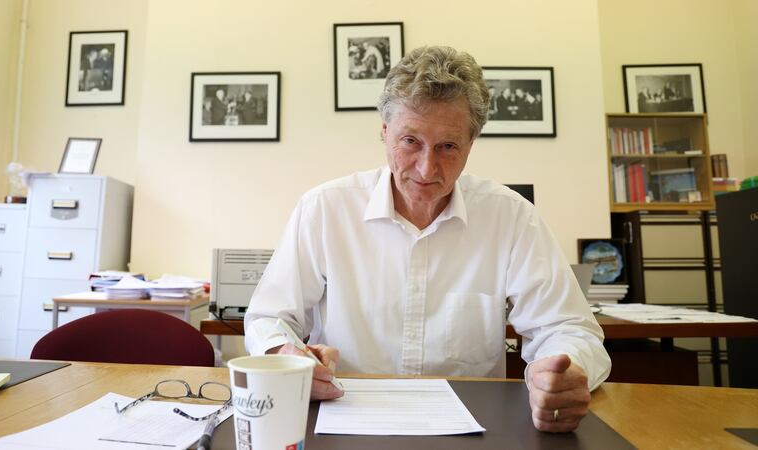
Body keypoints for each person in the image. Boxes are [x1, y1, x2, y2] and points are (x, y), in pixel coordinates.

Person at [244, 45, 611, 433]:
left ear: (472, 144)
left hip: (473, 428)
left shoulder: (511, 217)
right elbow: (269, 316)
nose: (426, 167)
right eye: (410, 141)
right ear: (385, 133)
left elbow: (570, 328)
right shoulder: (324, 209)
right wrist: (287, 355)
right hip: (340, 420)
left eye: (448, 146)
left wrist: (563, 371)